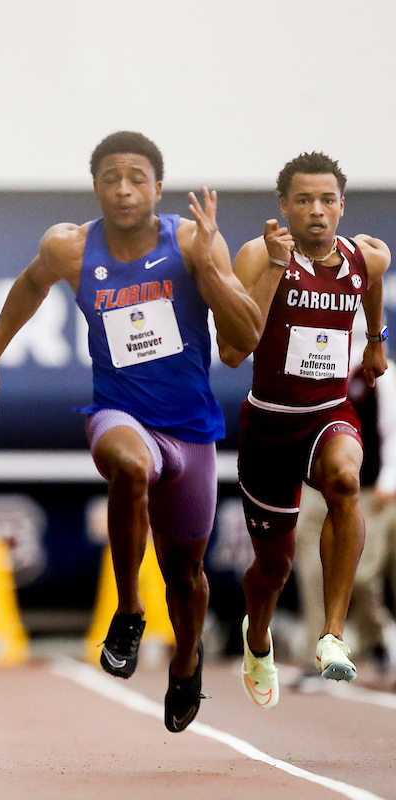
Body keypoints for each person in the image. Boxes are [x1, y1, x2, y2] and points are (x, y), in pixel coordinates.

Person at [0, 131, 262, 732]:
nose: (123, 191)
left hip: (191, 430)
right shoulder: (69, 247)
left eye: (136, 179)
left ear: (157, 186)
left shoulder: (193, 240)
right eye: (110, 179)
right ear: (95, 186)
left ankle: (187, 659)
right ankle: (128, 610)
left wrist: (207, 266)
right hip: (118, 414)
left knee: (187, 575)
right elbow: (28, 286)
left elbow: (246, 337)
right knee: (128, 466)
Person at [220, 152, 390, 709]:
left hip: (328, 414)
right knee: (273, 567)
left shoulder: (367, 258)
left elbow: (371, 292)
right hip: (269, 424)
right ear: (284, 207)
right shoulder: (256, 255)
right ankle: (258, 637)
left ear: (342, 205)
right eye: (303, 200)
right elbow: (233, 350)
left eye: (327, 200)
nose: (316, 212)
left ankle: (332, 636)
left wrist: (373, 341)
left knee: (346, 480)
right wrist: (272, 267)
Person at [293, 350, 396, 687]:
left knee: (362, 577)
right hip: (317, 488)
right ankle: (316, 655)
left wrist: (389, 479)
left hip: (365, 490)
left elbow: (392, 428)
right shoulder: (312, 365)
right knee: (312, 572)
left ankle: (376, 638)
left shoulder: (380, 373)